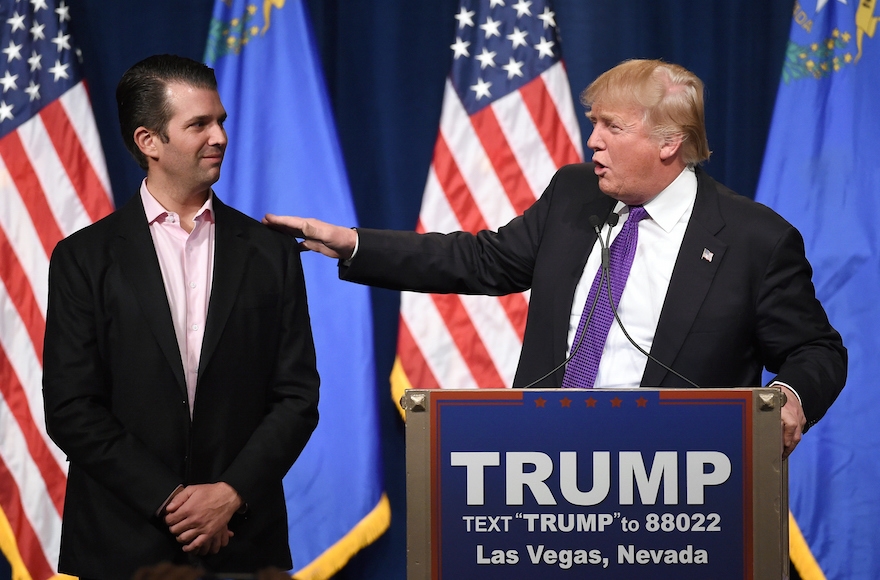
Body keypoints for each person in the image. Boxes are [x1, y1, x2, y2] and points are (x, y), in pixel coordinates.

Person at [264, 59, 845, 459]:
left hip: (679, 484)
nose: (592, 140)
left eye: (611, 127)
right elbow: (480, 260)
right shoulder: (574, 194)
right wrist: (352, 242)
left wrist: (791, 397)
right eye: (594, 123)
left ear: (670, 143)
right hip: (546, 471)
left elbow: (816, 348)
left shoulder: (754, 239)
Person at [42, 54, 320, 579]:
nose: (219, 136)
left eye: (221, 121)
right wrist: (173, 500)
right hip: (121, 545)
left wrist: (229, 494)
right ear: (149, 141)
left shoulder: (271, 252)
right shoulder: (83, 257)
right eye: (199, 124)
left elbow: (297, 397)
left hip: (242, 541)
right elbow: (71, 408)